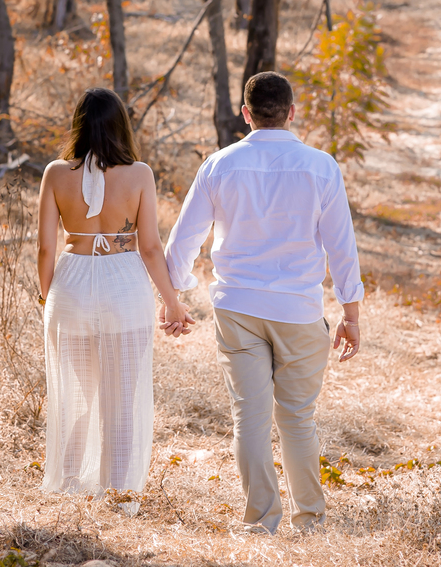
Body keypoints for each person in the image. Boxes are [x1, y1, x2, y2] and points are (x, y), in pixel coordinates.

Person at [165, 71, 364, 535]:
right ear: (292, 112)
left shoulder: (219, 164)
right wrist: (350, 312)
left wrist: (174, 292)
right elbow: (342, 246)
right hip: (298, 309)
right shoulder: (321, 167)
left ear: (246, 114)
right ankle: (310, 519)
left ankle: (261, 520)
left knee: (249, 418)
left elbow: (185, 237)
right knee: (297, 418)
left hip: (238, 307)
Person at [37, 88, 194, 510]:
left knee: (78, 393)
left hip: (69, 284)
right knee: (122, 397)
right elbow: (149, 248)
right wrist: (172, 303)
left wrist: (47, 298)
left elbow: (46, 250)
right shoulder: (139, 173)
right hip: (123, 287)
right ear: (121, 126)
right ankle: (120, 497)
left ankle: (69, 488)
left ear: (78, 126)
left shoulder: (55, 173)